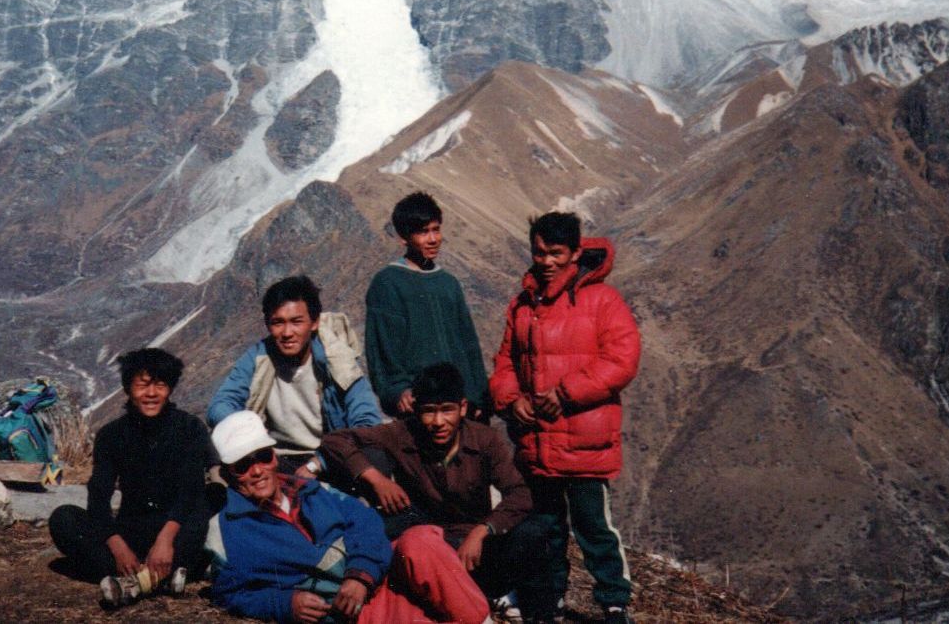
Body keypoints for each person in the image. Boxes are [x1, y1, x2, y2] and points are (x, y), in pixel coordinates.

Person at [489, 212, 642, 624]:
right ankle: (548, 596)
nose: (546, 261)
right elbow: (505, 362)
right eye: (539, 252)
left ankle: (614, 602)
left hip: (583, 443)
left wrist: (568, 393)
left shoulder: (602, 301)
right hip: (538, 440)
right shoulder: (522, 305)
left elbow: (623, 359)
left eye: (556, 253)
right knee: (547, 528)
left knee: (594, 528)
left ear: (576, 252)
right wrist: (509, 398)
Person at [206, 410, 491, 624]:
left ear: (274, 457)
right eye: (243, 465)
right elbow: (229, 593)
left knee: (420, 541)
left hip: (379, 570)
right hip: (354, 608)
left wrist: (360, 575)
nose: (257, 471)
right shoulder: (226, 530)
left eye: (263, 457)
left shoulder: (312, 489)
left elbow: (365, 521)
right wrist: (283, 603)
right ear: (229, 473)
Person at [319, 363, 552, 609]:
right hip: (428, 541)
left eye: (447, 410)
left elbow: (519, 493)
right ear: (417, 410)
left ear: (462, 408)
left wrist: (484, 530)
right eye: (428, 411)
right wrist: (375, 478)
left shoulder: (485, 439)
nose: (438, 421)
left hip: (475, 543)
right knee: (389, 525)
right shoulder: (402, 432)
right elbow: (335, 440)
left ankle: (526, 606)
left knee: (533, 531)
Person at [48, 347, 212, 608]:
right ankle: (168, 576)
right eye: (142, 385)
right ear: (128, 389)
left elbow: (190, 491)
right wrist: (117, 546)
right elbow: (99, 498)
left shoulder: (189, 428)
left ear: (170, 388)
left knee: (209, 500)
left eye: (160, 385)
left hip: (175, 528)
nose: (151, 394)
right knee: (64, 518)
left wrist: (165, 540)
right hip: (132, 529)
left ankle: (133, 582)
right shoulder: (111, 436)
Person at [208, 275, 381, 475]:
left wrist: (318, 463)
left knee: (376, 456)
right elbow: (219, 406)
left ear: (314, 322)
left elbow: (366, 421)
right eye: (278, 323)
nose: (287, 332)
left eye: (296, 322)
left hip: (330, 455)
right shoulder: (258, 358)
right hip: (275, 458)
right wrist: (250, 432)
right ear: (267, 324)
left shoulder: (337, 357)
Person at [364, 192, 490, 418]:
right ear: (403, 237)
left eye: (436, 229)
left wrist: (478, 396)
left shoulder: (448, 283)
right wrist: (398, 391)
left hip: (460, 407)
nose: (433, 239)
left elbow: (469, 346)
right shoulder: (388, 283)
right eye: (423, 232)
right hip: (418, 406)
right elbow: (382, 350)